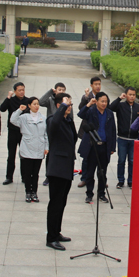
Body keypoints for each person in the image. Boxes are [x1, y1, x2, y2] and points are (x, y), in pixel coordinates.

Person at [46, 93, 77, 251]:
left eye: (70, 104)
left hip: (67, 167)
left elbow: (74, 138)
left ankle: (57, 232)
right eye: (67, 104)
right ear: (59, 106)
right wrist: (63, 106)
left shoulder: (67, 121)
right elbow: (54, 125)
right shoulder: (52, 119)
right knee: (55, 203)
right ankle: (51, 238)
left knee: (62, 203)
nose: (69, 107)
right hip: (57, 168)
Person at [77, 92, 116, 204]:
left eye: (106, 101)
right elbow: (80, 114)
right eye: (102, 101)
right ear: (97, 101)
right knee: (90, 172)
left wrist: (112, 147)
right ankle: (89, 194)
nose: (104, 103)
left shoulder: (109, 113)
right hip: (92, 146)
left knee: (102, 172)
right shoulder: (91, 111)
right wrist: (89, 104)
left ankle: (101, 194)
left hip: (105, 146)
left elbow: (113, 130)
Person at [11, 97, 49, 203]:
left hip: (39, 148)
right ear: (29, 105)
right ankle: (28, 192)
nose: (36, 106)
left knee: (35, 173)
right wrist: (19, 110)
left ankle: (34, 192)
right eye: (34, 104)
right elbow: (13, 120)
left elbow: (46, 134)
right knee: (28, 173)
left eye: (38, 104)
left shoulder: (43, 118)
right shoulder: (24, 118)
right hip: (27, 149)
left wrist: (46, 147)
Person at [109, 87, 139, 189]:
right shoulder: (121, 106)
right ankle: (120, 180)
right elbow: (110, 108)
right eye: (130, 94)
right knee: (121, 161)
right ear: (126, 95)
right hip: (122, 138)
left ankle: (131, 181)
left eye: (134, 95)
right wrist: (119, 98)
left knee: (132, 161)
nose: (132, 96)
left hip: (134, 139)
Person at [0, 82, 30, 185]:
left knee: (24, 155)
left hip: (24, 132)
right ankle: (9, 177)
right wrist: (8, 97)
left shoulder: (27, 101)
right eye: (19, 90)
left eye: (23, 90)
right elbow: (2, 109)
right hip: (13, 131)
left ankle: (24, 177)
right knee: (11, 155)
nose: (22, 92)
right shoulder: (11, 100)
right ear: (15, 91)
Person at [77, 76, 102, 187]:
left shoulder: (102, 97)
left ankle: (101, 179)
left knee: (99, 158)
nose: (98, 86)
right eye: (95, 84)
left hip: (99, 131)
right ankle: (84, 178)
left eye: (99, 84)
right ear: (91, 85)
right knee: (86, 156)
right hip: (88, 130)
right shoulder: (88, 96)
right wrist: (86, 98)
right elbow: (81, 109)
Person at [39, 82, 66, 186]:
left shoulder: (66, 102)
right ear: (55, 90)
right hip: (51, 131)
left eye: (63, 90)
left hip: (62, 131)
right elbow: (41, 102)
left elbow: (70, 117)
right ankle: (48, 176)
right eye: (59, 90)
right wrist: (50, 92)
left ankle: (60, 175)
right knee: (50, 155)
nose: (61, 92)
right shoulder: (51, 100)